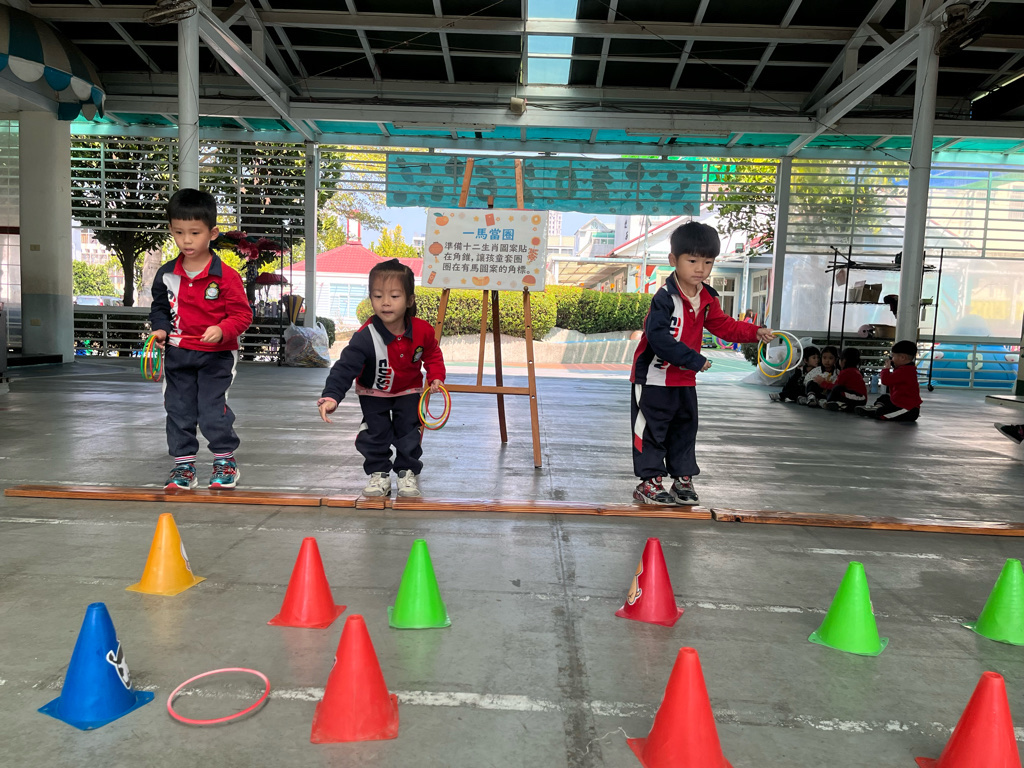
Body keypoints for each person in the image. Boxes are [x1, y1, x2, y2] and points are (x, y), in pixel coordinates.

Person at [630, 221, 773, 505]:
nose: (700, 269)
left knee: (685, 429)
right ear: (674, 260)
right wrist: (692, 359)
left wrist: (754, 332)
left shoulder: (707, 298)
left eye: (708, 262)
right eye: (692, 261)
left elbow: (724, 325)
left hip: (684, 380)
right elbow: (657, 338)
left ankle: (682, 479)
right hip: (653, 379)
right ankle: (649, 482)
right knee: (652, 429)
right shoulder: (664, 298)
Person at [149, 188, 253, 490]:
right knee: (178, 408)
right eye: (179, 232)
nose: (186, 240)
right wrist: (160, 328)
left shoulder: (227, 277)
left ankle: (225, 460)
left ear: (212, 233)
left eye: (195, 233)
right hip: (178, 353)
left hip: (216, 356)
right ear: (171, 230)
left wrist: (222, 329)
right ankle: (184, 466)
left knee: (211, 409)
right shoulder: (166, 274)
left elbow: (242, 315)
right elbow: (160, 308)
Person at [318, 259, 445, 498]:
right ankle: (379, 474)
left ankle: (407, 472)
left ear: (409, 300)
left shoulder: (422, 331)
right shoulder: (365, 337)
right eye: (377, 296)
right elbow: (345, 368)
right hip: (373, 392)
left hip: (409, 391)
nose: (385, 302)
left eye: (394, 296)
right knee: (375, 433)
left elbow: (432, 353)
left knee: (409, 432)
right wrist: (332, 396)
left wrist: (436, 376)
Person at [855, 340, 922, 421]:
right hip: (899, 403)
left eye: (893, 356)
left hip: (908, 409)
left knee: (881, 413)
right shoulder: (906, 369)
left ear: (902, 358)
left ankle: (876, 411)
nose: (892, 359)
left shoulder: (904, 371)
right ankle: (877, 407)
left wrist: (886, 369)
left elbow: (885, 380)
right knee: (885, 398)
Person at [819, 347, 868, 412]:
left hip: (859, 398)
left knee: (836, 389)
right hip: (860, 399)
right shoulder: (854, 371)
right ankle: (842, 405)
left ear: (844, 360)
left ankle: (828, 403)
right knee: (833, 390)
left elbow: (836, 387)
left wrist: (822, 383)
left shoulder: (845, 372)